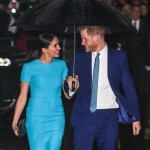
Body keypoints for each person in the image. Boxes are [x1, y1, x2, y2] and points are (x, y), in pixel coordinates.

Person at [66, 26, 141, 150]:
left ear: (96, 37)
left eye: (85, 39)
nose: (82, 42)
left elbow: (129, 88)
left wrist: (136, 118)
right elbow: (68, 83)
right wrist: (71, 86)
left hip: (109, 117)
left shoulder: (119, 58)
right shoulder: (79, 57)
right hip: (84, 116)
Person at [12, 33, 68, 150]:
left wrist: (73, 87)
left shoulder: (62, 65)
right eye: (55, 45)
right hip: (36, 117)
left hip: (56, 117)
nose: (59, 48)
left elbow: (68, 95)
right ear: (44, 49)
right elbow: (23, 96)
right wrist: (15, 121)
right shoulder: (29, 67)